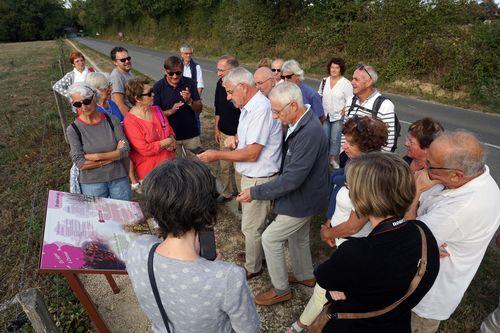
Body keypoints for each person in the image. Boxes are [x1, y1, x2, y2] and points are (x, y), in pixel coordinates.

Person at [125, 159, 259, 333]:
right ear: (208, 209)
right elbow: (248, 329)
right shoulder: (227, 277)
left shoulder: (137, 248)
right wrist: (212, 271)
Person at [315, 153, 440, 333]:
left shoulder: (356, 252)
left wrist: (337, 291)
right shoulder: (423, 233)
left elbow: (323, 276)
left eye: (350, 187)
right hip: (398, 324)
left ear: (362, 198)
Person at [288, 115, 388, 333]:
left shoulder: (370, 175)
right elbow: (340, 197)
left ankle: (303, 325)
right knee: (336, 288)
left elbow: (355, 225)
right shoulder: (355, 164)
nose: (344, 145)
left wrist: (327, 232)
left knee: (326, 285)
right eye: (345, 139)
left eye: (350, 143)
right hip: (344, 240)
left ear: (367, 146)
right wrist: (329, 223)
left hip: (355, 244)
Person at [237, 82, 328, 305]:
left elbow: (292, 179)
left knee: (270, 238)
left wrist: (255, 192)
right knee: (298, 237)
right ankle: (305, 275)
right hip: (307, 194)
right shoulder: (302, 122)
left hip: (304, 198)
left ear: (294, 106)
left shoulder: (309, 132)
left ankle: (281, 290)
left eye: (277, 112)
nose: (275, 117)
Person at [404, 131, 500, 333]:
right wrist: (426, 242)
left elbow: (406, 239)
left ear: (457, 174)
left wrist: (415, 195)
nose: (424, 167)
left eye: (430, 165)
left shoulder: (462, 209)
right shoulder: (473, 175)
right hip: (419, 277)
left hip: (425, 297)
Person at [197, 67, 282, 279]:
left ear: (243, 87)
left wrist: (217, 155)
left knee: (251, 227)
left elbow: (253, 154)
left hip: (259, 177)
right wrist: (236, 139)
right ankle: (256, 255)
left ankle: (254, 267)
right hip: (252, 176)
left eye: (230, 91)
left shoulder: (260, 109)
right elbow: (248, 139)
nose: (227, 97)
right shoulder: (248, 107)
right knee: (253, 224)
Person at [66, 82, 131, 200]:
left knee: (125, 218)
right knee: (96, 218)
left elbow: (125, 150)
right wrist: (113, 156)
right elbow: (80, 163)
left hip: (119, 179)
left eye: (86, 101)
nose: (84, 107)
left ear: (94, 98)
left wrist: (95, 156)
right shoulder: (73, 129)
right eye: (78, 104)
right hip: (92, 184)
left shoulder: (112, 121)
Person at [123, 78, 176, 184]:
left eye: (152, 91)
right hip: (151, 173)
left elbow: (169, 130)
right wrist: (167, 142)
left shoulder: (157, 110)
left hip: (170, 167)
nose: (153, 95)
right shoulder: (130, 122)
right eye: (149, 93)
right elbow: (145, 149)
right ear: (137, 98)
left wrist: (172, 138)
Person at [153, 56, 203, 155]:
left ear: (182, 70)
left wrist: (189, 101)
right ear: (165, 71)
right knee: (176, 168)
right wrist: (171, 111)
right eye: (171, 73)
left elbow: (199, 109)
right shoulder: (158, 87)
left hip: (191, 135)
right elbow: (155, 115)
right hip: (170, 137)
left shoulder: (190, 83)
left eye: (178, 73)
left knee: (196, 166)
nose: (175, 76)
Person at [343, 64, 397, 154]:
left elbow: (388, 143)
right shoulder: (350, 100)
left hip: (369, 163)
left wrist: (373, 164)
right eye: (352, 78)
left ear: (368, 82)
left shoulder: (384, 105)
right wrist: (344, 153)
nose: (352, 82)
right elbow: (345, 132)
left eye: (356, 79)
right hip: (349, 159)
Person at [214, 55, 240, 204]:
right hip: (224, 132)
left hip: (239, 135)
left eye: (221, 70)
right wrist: (216, 128)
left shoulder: (241, 86)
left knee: (239, 169)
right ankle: (226, 192)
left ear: (232, 70)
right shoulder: (219, 84)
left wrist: (238, 134)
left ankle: (242, 197)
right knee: (224, 166)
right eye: (218, 70)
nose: (218, 73)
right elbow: (218, 107)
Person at [318, 57, 353, 168]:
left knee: (334, 139)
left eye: (336, 68)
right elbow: (319, 95)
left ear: (340, 69)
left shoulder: (346, 83)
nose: (333, 70)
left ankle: (332, 159)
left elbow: (351, 99)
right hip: (325, 115)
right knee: (324, 138)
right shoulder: (324, 81)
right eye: (332, 67)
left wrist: (344, 110)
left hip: (338, 116)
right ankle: (323, 159)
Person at [180, 44, 204, 133]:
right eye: (186, 53)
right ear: (181, 54)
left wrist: (194, 99)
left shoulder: (196, 67)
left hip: (192, 99)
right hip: (179, 99)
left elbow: (200, 86)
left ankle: (196, 137)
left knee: (195, 119)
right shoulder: (177, 66)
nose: (188, 55)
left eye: (190, 53)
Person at [109, 46, 134, 117]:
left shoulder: (127, 72)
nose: (127, 61)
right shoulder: (116, 77)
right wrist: (132, 120)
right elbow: (119, 104)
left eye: (128, 58)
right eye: (123, 60)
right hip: (129, 115)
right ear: (115, 62)